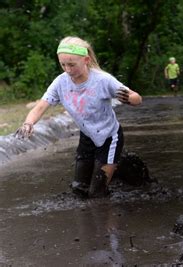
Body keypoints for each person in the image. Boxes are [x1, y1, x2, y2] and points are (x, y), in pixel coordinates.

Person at [15, 36, 142, 198]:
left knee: (97, 193)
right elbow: (41, 105)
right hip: (87, 137)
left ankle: (109, 220)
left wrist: (130, 99)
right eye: (63, 65)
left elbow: (137, 98)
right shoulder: (61, 82)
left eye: (72, 65)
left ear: (86, 60)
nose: (67, 70)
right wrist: (28, 123)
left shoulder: (103, 80)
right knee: (79, 189)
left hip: (109, 138)